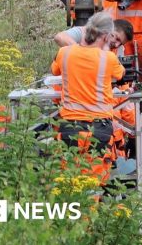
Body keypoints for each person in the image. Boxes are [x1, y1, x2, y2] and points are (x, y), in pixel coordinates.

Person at [51, 12, 125, 184]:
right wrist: (105, 48)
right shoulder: (109, 58)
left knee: (69, 181)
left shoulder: (65, 53)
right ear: (106, 36)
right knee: (93, 183)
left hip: (70, 126)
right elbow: (121, 74)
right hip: (99, 129)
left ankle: (71, 209)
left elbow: (54, 70)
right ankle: (90, 210)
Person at [54, 19, 134, 55]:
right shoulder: (86, 32)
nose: (116, 45)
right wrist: (83, 54)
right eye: (117, 38)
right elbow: (59, 37)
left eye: (120, 44)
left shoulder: (112, 51)